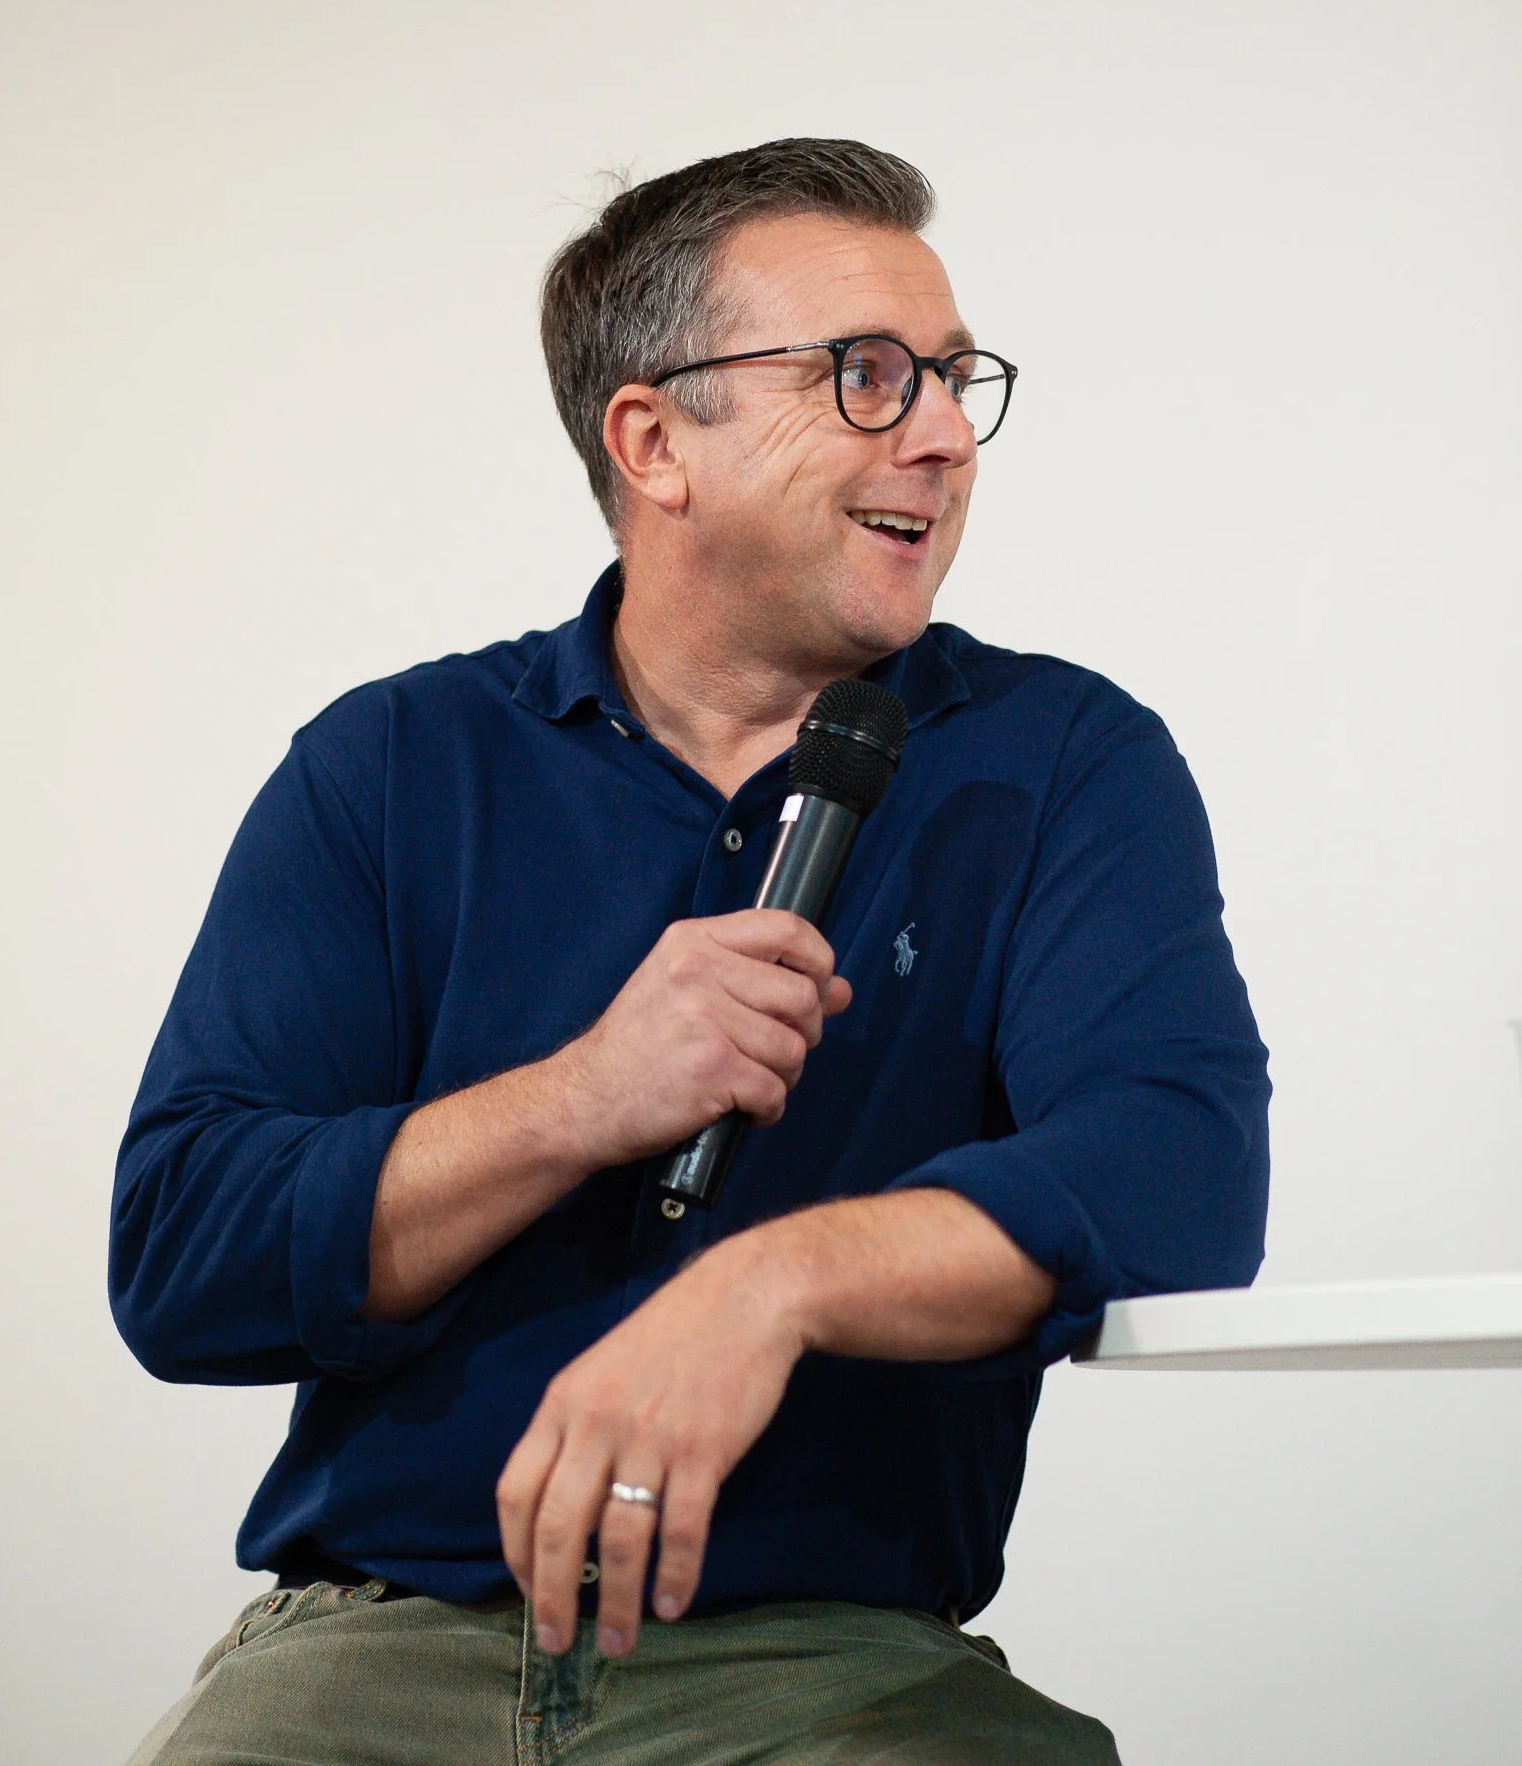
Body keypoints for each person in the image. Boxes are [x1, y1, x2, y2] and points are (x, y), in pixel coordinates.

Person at [112, 138, 1269, 1765]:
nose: (943, 435)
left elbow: (1179, 1176)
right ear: (656, 441)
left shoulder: (1063, 760)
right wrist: (582, 1099)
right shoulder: (391, 765)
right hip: (376, 1653)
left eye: (953, 378)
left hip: (834, 1675)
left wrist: (773, 1287)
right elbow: (182, 1258)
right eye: (868, 376)